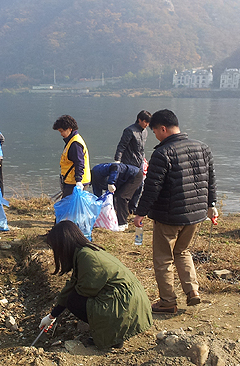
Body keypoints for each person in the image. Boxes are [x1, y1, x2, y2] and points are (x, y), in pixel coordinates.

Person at [132, 109, 217, 314]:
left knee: (163, 258)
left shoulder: (162, 153)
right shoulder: (203, 148)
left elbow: (152, 187)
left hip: (169, 216)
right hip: (196, 214)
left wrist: (140, 213)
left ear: (163, 128)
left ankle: (168, 302)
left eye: (154, 132)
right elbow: (211, 180)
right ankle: (193, 291)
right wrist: (211, 205)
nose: (155, 135)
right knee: (183, 251)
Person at [39, 220, 152, 349]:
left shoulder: (87, 257)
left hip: (126, 305)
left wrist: (64, 305)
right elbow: (72, 284)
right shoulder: (84, 252)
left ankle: (112, 335)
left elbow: (85, 290)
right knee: (73, 297)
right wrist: (52, 316)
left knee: (74, 301)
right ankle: (113, 332)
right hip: (127, 301)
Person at [114, 110, 151, 213]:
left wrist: (144, 160)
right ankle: (119, 207)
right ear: (139, 120)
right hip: (128, 163)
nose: (147, 125)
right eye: (145, 122)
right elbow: (121, 146)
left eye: (148, 123)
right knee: (125, 186)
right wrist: (117, 160)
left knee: (139, 186)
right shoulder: (130, 131)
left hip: (139, 163)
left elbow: (142, 149)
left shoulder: (145, 132)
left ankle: (132, 208)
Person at [90, 162, 143, 231]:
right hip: (122, 181)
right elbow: (97, 197)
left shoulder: (98, 170)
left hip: (134, 175)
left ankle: (123, 223)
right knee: (114, 198)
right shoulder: (94, 183)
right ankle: (117, 219)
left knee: (122, 197)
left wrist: (111, 182)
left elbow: (115, 167)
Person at [53, 115, 90, 199]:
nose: (61, 134)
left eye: (62, 131)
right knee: (69, 207)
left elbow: (79, 162)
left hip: (75, 182)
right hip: (70, 180)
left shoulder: (75, 144)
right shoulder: (72, 141)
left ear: (70, 129)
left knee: (68, 207)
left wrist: (78, 181)